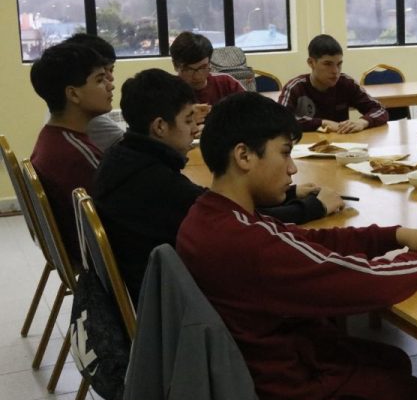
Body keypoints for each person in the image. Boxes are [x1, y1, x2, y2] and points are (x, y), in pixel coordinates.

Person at [176, 92, 417, 400]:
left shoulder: (212, 215)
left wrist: (394, 235)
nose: (292, 168)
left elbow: (312, 243)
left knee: (389, 358)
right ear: (244, 156)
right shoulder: (247, 243)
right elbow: (364, 284)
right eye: (284, 153)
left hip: (267, 379)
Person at [94, 69, 344, 303]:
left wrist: (289, 193)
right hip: (172, 302)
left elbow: (219, 204)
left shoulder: (123, 156)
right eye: (188, 119)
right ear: (160, 126)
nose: (195, 129)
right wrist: (314, 208)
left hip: (150, 286)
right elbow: (235, 218)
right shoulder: (155, 183)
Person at [30, 41, 112, 262]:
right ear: (73, 94)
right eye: (100, 80)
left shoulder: (52, 137)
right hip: (103, 262)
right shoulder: (76, 156)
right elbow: (121, 210)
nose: (110, 86)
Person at [279, 34, 388, 133]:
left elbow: (380, 110)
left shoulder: (346, 83)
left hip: (341, 148)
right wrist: (322, 123)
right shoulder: (295, 87)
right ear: (311, 63)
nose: (335, 71)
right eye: (327, 64)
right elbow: (280, 120)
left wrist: (362, 122)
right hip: (304, 149)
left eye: (339, 64)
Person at [170, 31, 243, 122]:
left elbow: (251, 115)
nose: (197, 76)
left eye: (203, 67)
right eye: (189, 69)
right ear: (175, 65)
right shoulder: (167, 93)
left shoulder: (227, 84)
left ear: (209, 62)